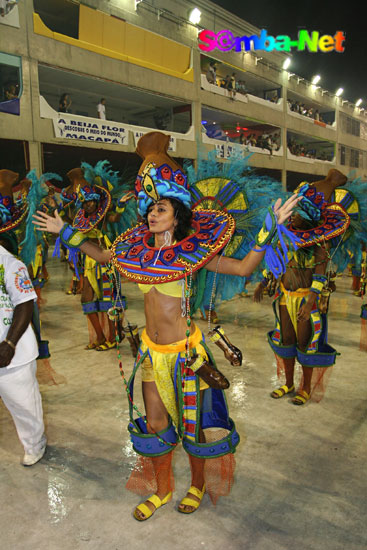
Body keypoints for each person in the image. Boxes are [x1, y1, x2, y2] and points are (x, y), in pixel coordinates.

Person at [33, 131, 299, 520]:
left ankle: (196, 485)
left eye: (160, 208)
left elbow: (243, 268)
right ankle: (161, 490)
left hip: (186, 356)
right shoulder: (136, 250)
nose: (152, 214)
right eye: (149, 209)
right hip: (150, 354)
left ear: (178, 213)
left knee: (192, 429)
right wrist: (65, 233)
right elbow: (104, 256)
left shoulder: (193, 254)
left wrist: (267, 231)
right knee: (156, 427)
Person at [254, 169, 349, 405]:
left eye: (297, 214)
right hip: (285, 298)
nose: (292, 216)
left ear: (308, 218)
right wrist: (264, 281)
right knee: (286, 341)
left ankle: (305, 388)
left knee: (305, 345)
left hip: (306, 300)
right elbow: (276, 263)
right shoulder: (287, 236)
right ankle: (288, 383)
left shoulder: (319, 243)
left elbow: (319, 276)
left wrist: (310, 304)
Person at [0, 175, 46, 466]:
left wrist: (9, 343)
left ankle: (34, 444)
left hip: (11, 353)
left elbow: (25, 303)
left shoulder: (9, 263)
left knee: (23, 404)